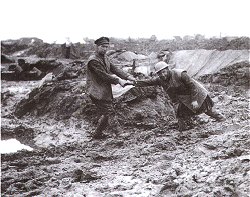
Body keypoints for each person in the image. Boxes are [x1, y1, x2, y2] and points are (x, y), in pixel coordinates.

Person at [135, 60, 225, 131]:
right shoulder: (160, 80)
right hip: (184, 97)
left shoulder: (180, 74)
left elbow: (192, 86)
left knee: (207, 110)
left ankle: (221, 118)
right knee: (180, 114)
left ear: (168, 69)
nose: (162, 74)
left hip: (196, 93)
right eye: (160, 73)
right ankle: (184, 128)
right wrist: (133, 82)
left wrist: (194, 100)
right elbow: (148, 82)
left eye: (164, 72)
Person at [86, 36, 135, 139]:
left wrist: (128, 76)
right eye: (103, 47)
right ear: (97, 47)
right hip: (96, 91)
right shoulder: (93, 61)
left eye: (106, 47)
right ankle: (119, 133)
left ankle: (97, 134)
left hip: (104, 91)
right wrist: (119, 80)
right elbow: (103, 75)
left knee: (106, 113)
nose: (105, 49)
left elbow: (115, 69)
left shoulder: (105, 57)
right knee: (110, 111)